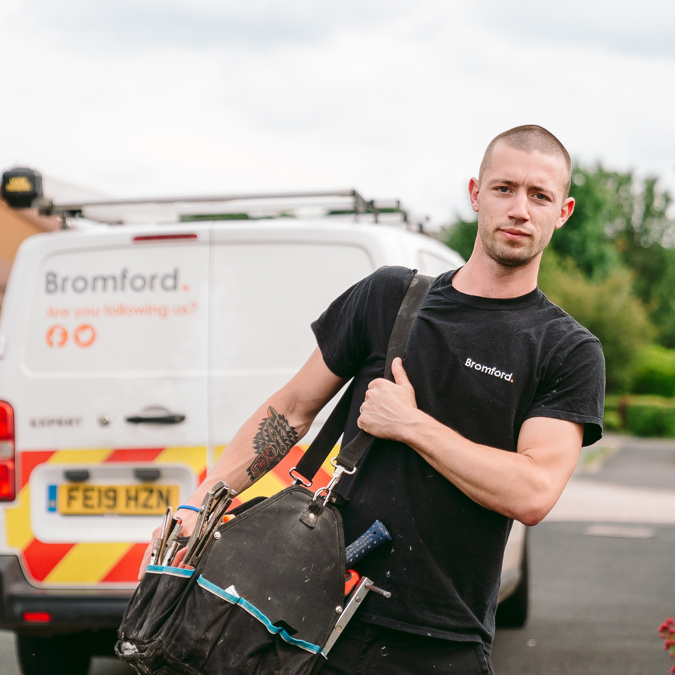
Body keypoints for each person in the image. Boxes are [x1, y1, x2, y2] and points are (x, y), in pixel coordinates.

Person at [140, 124, 606, 674]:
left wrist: (411, 425)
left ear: (564, 211)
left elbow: (533, 492)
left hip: (443, 639)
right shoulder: (390, 297)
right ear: (476, 193)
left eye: (539, 195)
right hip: (312, 619)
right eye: (504, 188)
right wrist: (203, 503)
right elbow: (290, 409)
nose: (519, 209)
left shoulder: (565, 349)